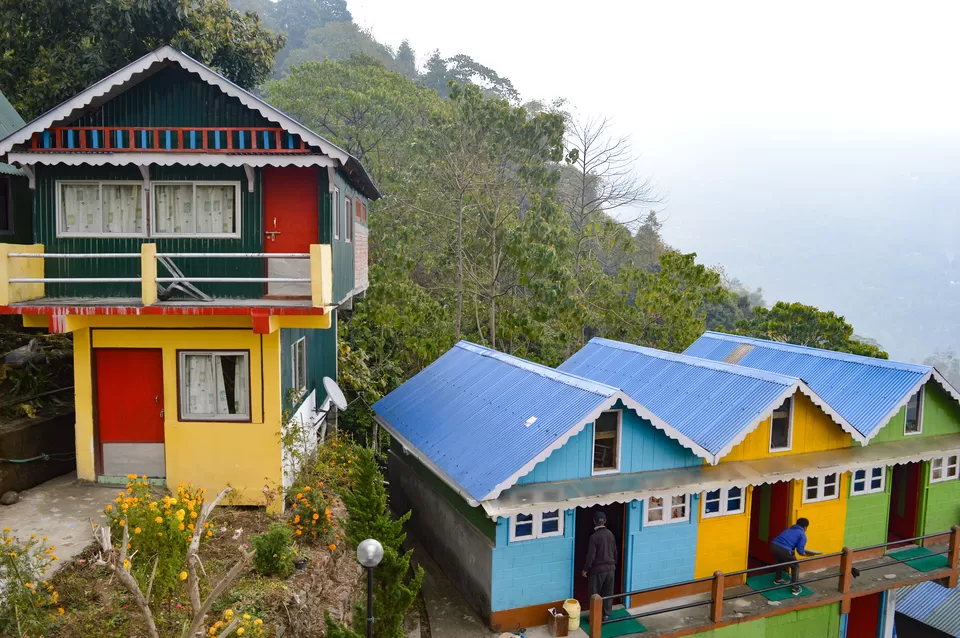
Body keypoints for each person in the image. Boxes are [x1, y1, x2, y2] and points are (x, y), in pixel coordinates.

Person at [770, 517, 821, 595]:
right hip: (784, 550)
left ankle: (778, 579)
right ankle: (795, 588)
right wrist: (808, 555)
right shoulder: (802, 535)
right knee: (795, 566)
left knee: (780, 561)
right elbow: (800, 551)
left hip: (773, 546)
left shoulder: (788, 530)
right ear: (805, 527)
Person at [581, 511, 617, 620]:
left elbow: (591, 555)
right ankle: (606, 614)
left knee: (594, 594)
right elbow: (615, 552)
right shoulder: (610, 534)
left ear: (594, 521)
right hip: (611, 569)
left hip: (598, 570)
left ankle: (594, 616)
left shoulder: (594, 537)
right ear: (605, 521)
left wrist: (585, 569)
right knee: (608, 593)